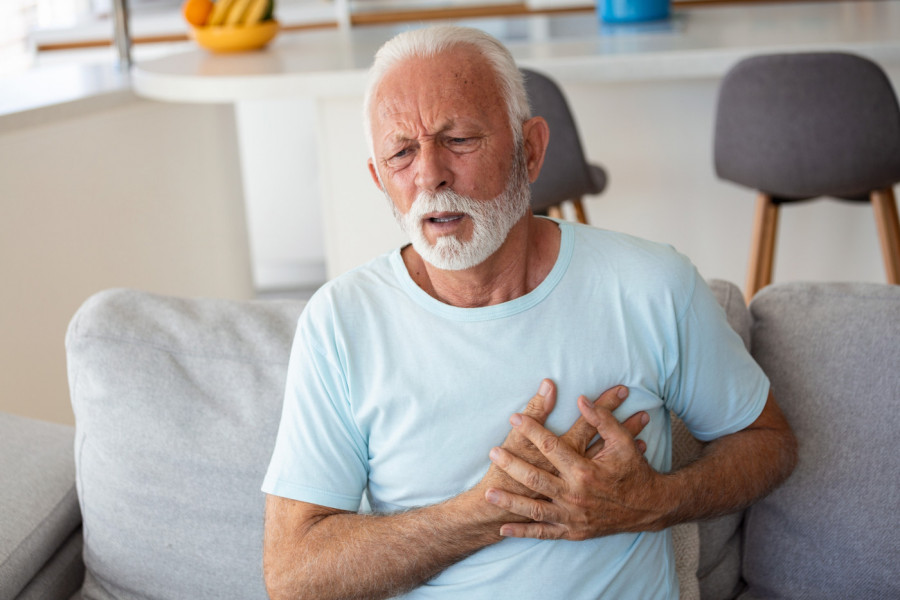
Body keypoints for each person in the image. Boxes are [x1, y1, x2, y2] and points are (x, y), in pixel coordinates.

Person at [261, 24, 797, 600]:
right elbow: (295, 575)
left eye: (460, 139)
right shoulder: (340, 323)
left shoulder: (651, 285)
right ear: (379, 179)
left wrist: (653, 504)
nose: (430, 174)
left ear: (531, 150)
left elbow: (769, 442)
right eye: (401, 152)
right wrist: (483, 511)